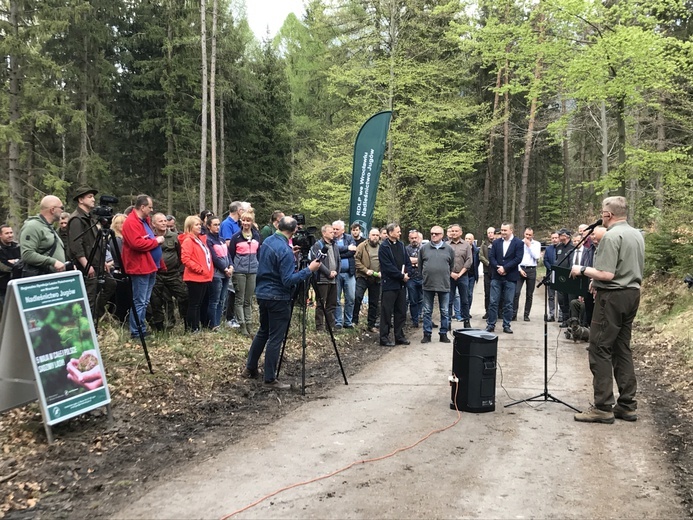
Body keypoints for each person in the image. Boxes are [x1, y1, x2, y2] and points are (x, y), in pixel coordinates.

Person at [571, 197, 644, 424]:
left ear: (607, 215)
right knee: (622, 348)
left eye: (602, 213)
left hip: (612, 297)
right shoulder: (636, 234)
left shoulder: (611, 236)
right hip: (632, 294)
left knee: (600, 348)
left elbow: (607, 274)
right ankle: (627, 404)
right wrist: (597, 281)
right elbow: (623, 267)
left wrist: (582, 269)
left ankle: (603, 406)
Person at [241, 216, 321, 388]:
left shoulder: (268, 241)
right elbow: (288, 280)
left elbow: (271, 262)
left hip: (262, 293)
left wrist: (290, 256)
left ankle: (250, 368)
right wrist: (309, 270)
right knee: (275, 337)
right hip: (278, 296)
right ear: (293, 231)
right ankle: (269, 378)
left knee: (263, 331)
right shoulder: (284, 250)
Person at [67, 185, 116, 320]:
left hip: (97, 262)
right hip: (87, 265)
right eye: (89, 197)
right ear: (80, 200)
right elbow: (76, 245)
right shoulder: (77, 219)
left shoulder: (90, 218)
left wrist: (103, 261)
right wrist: (86, 264)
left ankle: (95, 315)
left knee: (111, 284)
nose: (93, 199)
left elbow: (96, 242)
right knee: (90, 297)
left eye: (93, 196)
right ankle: (88, 328)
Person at [121, 194, 164, 338]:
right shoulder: (131, 222)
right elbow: (137, 243)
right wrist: (156, 242)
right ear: (142, 207)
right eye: (150, 207)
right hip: (139, 267)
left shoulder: (144, 221)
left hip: (150, 265)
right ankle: (136, 331)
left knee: (145, 301)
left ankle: (141, 328)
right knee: (139, 301)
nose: (151, 210)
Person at [149, 212, 188, 331]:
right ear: (153, 224)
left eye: (165, 221)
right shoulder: (150, 237)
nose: (164, 223)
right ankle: (160, 327)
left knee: (184, 296)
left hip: (173, 274)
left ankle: (186, 322)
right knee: (156, 301)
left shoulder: (174, 236)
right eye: (160, 221)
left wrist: (180, 271)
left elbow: (181, 254)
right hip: (157, 275)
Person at [228, 211, 262, 336]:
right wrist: (233, 267)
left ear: (252, 222)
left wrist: (258, 266)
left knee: (248, 300)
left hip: (253, 270)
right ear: (240, 221)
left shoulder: (257, 236)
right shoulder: (235, 237)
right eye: (244, 220)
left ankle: (249, 324)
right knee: (239, 299)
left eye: (248, 220)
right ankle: (242, 324)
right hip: (239, 271)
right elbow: (230, 255)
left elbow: (259, 253)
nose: (246, 223)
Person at [419, 226, 455, 343]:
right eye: (432, 233)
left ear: (442, 235)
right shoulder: (424, 249)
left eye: (437, 234)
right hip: (428, 284)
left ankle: (443, 333)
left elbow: (451, 265)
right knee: (427, 311)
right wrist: (424, 276)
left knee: (444, 311)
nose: (434, 235)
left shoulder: (449, 249)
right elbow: (420, 266)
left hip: (444, 284)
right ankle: (427, 334)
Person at [486, 222, 523, 334]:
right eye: (502, 230)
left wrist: (505, 268)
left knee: (508, 302)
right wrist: (498, 267)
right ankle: (491, 324)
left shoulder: (518, 243)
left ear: (511, 230)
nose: (502, 232)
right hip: (496, 276)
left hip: (510, 276)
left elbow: (518, 258)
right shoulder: (496, 242)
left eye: (505, 230)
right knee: (493, 301)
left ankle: (506, 324)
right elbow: (491, 257)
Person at [378, 223, 411, 347]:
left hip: (401, 284)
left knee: (401, 311)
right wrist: (401, 275)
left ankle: (399, 336)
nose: (400, 233)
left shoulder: (401, 245)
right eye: (398, 231)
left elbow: (407, 261)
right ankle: (384, 338)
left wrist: (408, 273)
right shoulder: (384, 247)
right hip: (390, 284)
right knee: (387, 311)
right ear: (390, 233)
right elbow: (387, 266)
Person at [19, 195, 68, 276]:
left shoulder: (48, 226)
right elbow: (27, 254)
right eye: (61, 208)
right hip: (41, 280)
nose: (62, 211)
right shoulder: (32, 226)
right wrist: (53, 262)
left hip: (53, 278)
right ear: (52, 210)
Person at [180, 215, 214, 333]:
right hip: (194, 277)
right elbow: (185, 259)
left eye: (200, 224)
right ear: (190, 226)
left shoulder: (199, 239)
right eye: (196, 225)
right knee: (194, 304)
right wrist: (200, 269)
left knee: (199, 304)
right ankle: (192, 328)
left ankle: (196, 326)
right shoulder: (188, 240)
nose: (200, 226)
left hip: (203, 277)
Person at [206, 215, 234, 331]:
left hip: (226, 273)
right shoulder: (208, 240)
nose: (217, 227)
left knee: (222, 299)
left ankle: (218, 322)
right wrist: (225, 269)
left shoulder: (222, 239)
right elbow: (214, 257)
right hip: (217, 273)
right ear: (208, 226)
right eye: (215, 225)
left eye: (219, 225)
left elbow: (228, 255)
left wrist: (231, 266)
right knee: (215, 300)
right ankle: (213, 324)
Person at [309, 224, 339, 332]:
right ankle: (320, 327)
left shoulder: (335, 245)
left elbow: (338, 259)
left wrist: (336, 272)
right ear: (324, 233)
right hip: (322, 279)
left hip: (334, 279)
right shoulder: (318, 245)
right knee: (321, 303)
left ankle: (330, 326)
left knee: (332, 304)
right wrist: (328, 273)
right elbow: (317, 261)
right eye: (330, 232)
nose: (333, 233)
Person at [353, 228, 382, 332]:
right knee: (357, 297)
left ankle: (371, 324)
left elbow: (387, 260)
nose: (375, 237)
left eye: (377, 235)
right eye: (373, 235)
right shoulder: (362, 246)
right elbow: (356, 260)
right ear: (369, 236)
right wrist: (365, 270)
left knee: (374, 302)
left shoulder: (382, 247)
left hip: (376, 278)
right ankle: (354, 320)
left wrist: (382, 272)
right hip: (363, 276)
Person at [512, 227, 541, 322]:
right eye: (526, 234)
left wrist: (529, 246)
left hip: (532, 269)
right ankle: (514, 314)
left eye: (530, 235)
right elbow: (516, 258)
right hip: (521, 269)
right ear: (524, 234)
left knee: (529, 294)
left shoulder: (536, 244)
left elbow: (537, 256)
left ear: (532, 235)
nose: (527, 236)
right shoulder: (519, 243)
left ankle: (526, 314)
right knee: (516, 293)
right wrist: (519, 269)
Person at [332, 220, 357, 329]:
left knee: (351, 298)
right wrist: (346, 249)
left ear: (343, 230)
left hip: (349, 273)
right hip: (336, 274)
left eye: (337, 229)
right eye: (334, 229)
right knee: (336, 299)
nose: (335, 231)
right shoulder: (331, 239)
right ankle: (338, 321)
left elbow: (353, 252)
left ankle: (348, 321)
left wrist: (339, 254)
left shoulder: (349, 238)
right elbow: (333, 251)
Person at [447, 224, 473, 329]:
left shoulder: (466, 245)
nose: (454, 233)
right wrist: (451, 273)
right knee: (449, 300)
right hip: (449, 276)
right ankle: (447, 322)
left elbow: (469, 260)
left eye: (456, 231)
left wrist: (460, 274)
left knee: (465, 300)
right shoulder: (446, 245)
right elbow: (444, 261)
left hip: (463, 276)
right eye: (452, 231)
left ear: (461, 232)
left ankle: (466, 321)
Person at [555, 228, 575, 327]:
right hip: (560, 277)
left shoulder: (572, 247)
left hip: (569, 277)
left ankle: (570, 320)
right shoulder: (559, 247)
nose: (558, 237)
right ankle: (564, 318)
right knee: (561, 299)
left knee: (569, 299)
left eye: (560, 235)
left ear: (566, 236)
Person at [405, 229, 423, 328]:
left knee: (422, 299)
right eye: (412, 238)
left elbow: (424, 260)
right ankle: (414, 320)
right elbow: (406, 261)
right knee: (412, 300)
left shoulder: (423, 248)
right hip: (411, 277)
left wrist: (414, 261)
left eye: (415, 238)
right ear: (409, 239)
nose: (414, 240)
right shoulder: (406, 249)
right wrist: (416, 261)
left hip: (422, 276)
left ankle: (421, 316)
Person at [0, 225, 21, 308]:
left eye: (11, 232)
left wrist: (12, 262)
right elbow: (3, 267)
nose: (10, 235)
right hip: (3, 286)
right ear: (1, 235)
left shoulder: (17, 246)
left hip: (17, 284)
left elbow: (23, 261)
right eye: (7, 233)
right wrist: (16, 263)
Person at [543, 231, 560, 322]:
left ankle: (561, 313)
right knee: (551, 295)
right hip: (550, 273)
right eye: (553, 238)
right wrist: (551, 268)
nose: (554, 239)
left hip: (560, 274)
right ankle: (551, 313)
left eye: (556, 238)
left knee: (560, 295)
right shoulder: (548, 249)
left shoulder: (562, 248)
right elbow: (545, 260)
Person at [479, 227, 495, 319]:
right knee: (487, 293)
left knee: (498, 292)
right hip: (487, 271)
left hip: (497, 271)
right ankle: (487, 311)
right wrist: (488, 263)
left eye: (492, 232)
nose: (490, 234)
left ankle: (498, 312)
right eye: (488, 233)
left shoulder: (498, 243)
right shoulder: (484, 244)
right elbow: (481, 256)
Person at [465, 233, 480, 315]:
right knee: (463, 293)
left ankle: (468, 311)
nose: (467, 240)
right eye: (466, 238)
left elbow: (477, 262)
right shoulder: (462, 249)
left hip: (472, 275)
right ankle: (462, 311)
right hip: (463, 274)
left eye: (469, 239)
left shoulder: (476, 250)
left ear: (473, 240)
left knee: (469, 294)